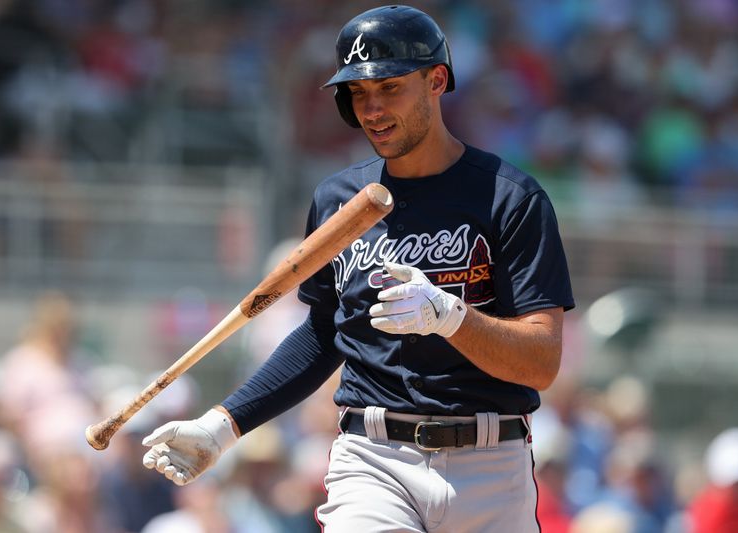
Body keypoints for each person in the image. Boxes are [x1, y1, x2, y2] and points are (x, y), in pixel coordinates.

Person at [141, 5, 574, 532]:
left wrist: (450, 316)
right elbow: (324, 334)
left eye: (390, 87)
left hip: (491, 461)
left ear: (436, 80)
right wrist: (222, 425)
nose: (372, 108)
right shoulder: (339, 200)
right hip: (373, 458)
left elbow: (541, 362)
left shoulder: (510, 198)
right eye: (358, 91)